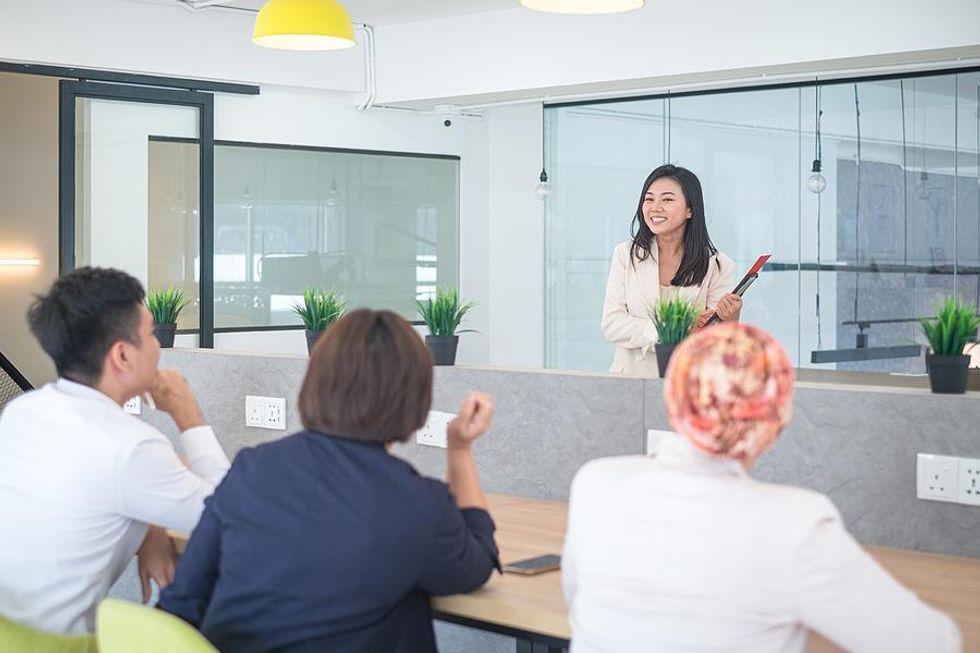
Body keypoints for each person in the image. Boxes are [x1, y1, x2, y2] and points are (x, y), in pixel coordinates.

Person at [563, 323, 961, 653]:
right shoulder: (795, 525)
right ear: (775, 422)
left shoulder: (595, 485)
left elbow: (576, 600)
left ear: (673, 399)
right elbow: (931, 644)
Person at [158, 309, 500, 653]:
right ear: (414, 399)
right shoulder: (415, 502)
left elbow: (183, 598)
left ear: (316, 381)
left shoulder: (252, 468)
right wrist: (459, 449)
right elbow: (475, 565)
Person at [0, 267, 230, 635]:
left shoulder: (23, 411)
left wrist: (149, 526)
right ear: (122, 356)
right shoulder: (132, 445)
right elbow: (232, 515)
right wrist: (187, 413)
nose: (158, 345)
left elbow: (91, 484)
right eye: (152, 334)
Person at [601, 164, 742, 375]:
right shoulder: (625, 254)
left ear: (690, 209)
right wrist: (671, 329)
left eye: (667, 199)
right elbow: (612, 324)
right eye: (649, 199)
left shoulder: (718, 264)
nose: (655, 207)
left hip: (687, 385)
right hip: (629, 382)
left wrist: (730, 318)